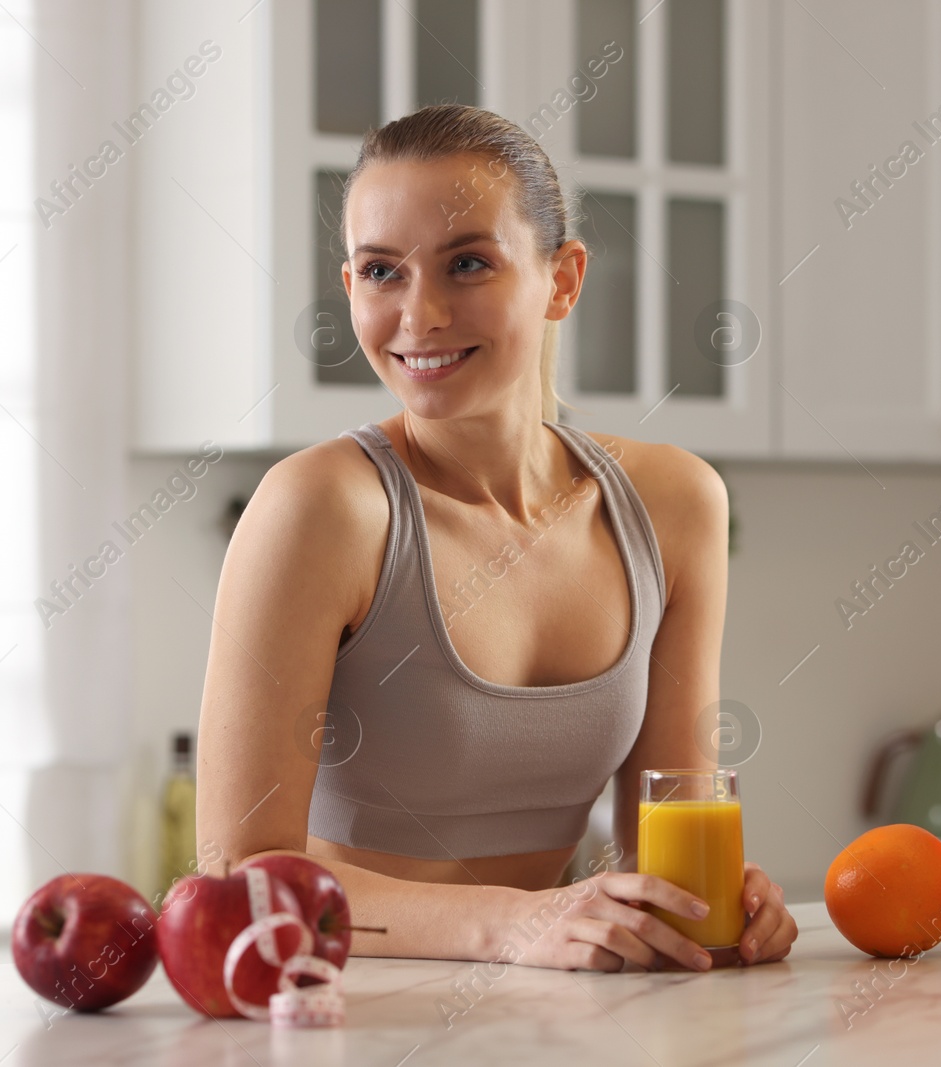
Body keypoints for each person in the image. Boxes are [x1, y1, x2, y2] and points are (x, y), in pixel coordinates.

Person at [196, 104, 797, 972]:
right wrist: (513, 924)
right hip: (341, 1004)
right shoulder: (321, 509)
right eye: (381, 272)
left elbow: (666, 830)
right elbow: (238, 876)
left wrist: (718, 904)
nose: (420, 314)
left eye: (468, 262)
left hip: (538, 1003)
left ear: (562, 280)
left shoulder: (673, 503)